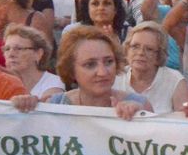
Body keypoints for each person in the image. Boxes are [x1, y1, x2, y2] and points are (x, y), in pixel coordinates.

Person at [16, 25, 148, 119]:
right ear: (71, 70)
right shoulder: (55, 105)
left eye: (108, 62)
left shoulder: (140, 104)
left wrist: (140, 117)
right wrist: (25, 108)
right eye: (90, 65)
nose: (102, 72)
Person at [113, 22, 188, 111]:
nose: (140, 53)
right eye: (135, 46)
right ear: (127, 50)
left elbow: (185, 119)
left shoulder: (175, 81)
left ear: (159, 55)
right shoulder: (116, 77)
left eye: (149, 49)